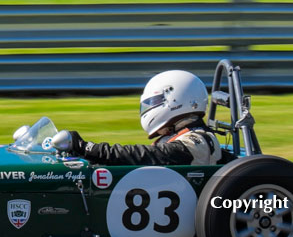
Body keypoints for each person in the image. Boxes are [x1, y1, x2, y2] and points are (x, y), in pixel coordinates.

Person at [53, 70, 222, 166]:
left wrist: (90, 149)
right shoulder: (176, 136)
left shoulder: (197, 141)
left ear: (180, 100)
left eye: (154, 102)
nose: (149, 108)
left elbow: (148, 155)